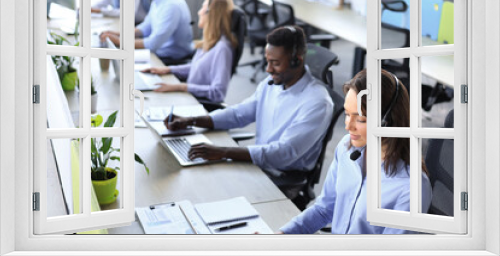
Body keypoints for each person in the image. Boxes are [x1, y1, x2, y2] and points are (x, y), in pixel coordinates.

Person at [166, 26, 334, 184]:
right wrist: (192, 121)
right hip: (258, 164)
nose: (268, 69)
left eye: (275, 63)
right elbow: (239, 114)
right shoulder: (273, 83)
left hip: (282, 177)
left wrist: (224, 152)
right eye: (267, 61)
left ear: (297, 61)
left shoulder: (317, 102)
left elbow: (284, 153)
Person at [278, 69, 432, 234]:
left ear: (388, 122)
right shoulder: (346, 148)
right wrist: (283, 235)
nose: (348, 126)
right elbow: (324, 209)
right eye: (346, 114)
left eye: (360, 119)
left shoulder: (409, 188)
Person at [141, 0, 237, 103]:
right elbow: (197, 67)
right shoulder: (210, 41)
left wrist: (181, 87)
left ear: (212, 14)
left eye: (203, 8)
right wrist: (167, 69)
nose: (199, 12)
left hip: (196, 103)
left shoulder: (223, 48)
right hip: (188, 96)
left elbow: (218, 92)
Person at [100, 0, 193, 65]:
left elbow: (153, 43)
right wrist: (116, 34)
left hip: (172, 59)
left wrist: (118, 41)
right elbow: (145, 27)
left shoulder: (171, 5)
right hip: (159, 53)